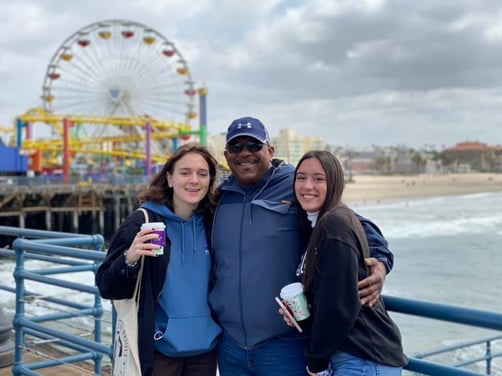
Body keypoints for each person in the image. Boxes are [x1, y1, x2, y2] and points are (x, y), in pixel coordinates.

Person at [209, 116, 395, 376]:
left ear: (270, 151)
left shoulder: (295, 185)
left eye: (253, 145)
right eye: (236, 147)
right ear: (227, 156)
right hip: (230, 347)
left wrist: (381, 264)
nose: (245, 153)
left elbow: (354, 225)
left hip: (285, 345)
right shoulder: (218, 199)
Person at [96, 143, 221, 376]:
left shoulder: (213, 223)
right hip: (159, 350)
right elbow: (106, 286)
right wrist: (129, 259)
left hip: (206, 350)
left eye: (202, 174)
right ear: (170, 178)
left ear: (210, 181)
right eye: (185, 173)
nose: (194, 180)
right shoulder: (142, 221)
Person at [291, 150, 407, 375]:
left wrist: (315, 363)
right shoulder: (317, 224)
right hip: (352, 356)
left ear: (334, 182)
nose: (307, 186)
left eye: (318, 178)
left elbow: (339, 306)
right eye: (301, 177)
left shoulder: (335, 224)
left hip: (362, 357)